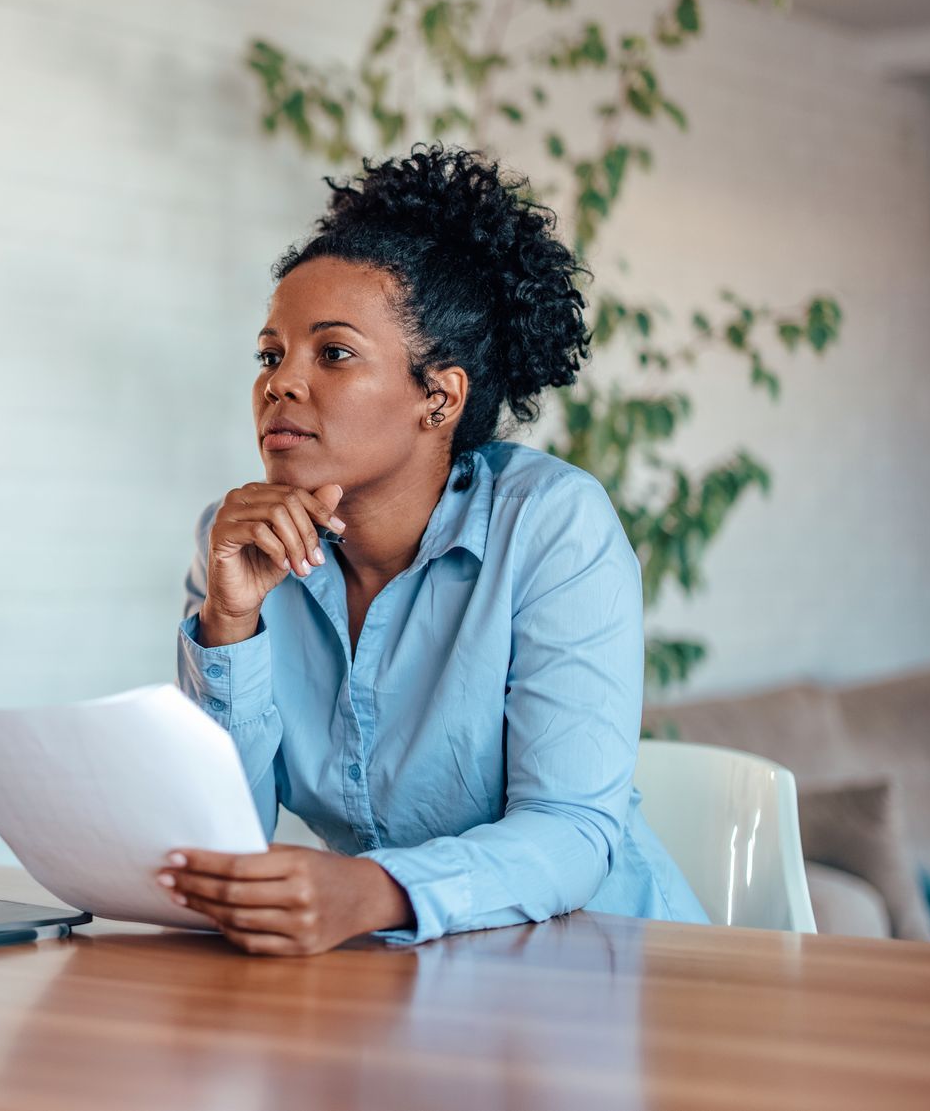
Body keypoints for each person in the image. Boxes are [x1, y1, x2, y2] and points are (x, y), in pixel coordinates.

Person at [158, 146, 707, 955]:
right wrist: (229, 621)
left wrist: (372, 890)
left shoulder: (551, 525)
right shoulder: (238, 544)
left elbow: (569, 831)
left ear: (440, 396)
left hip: (612, 974)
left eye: (333, 353)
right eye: (270, 355)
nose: (281, 382)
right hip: (402, 977)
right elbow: (221, 839)